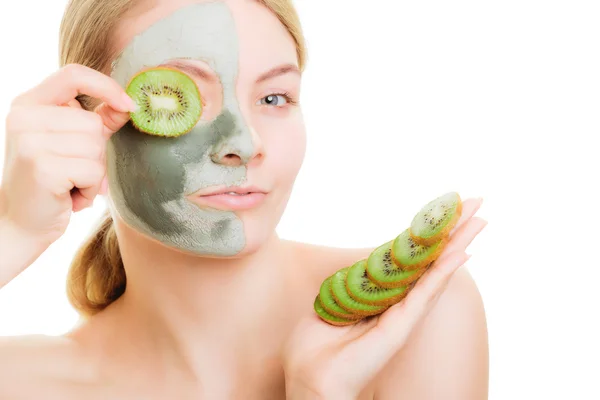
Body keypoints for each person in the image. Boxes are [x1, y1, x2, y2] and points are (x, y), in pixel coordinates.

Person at [0, 0, 489, 398]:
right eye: (187, 94)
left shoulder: (413, 321)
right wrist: (14, 229)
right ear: (81, 123)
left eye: (274, 98)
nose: (247, 141)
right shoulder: (20, 381)